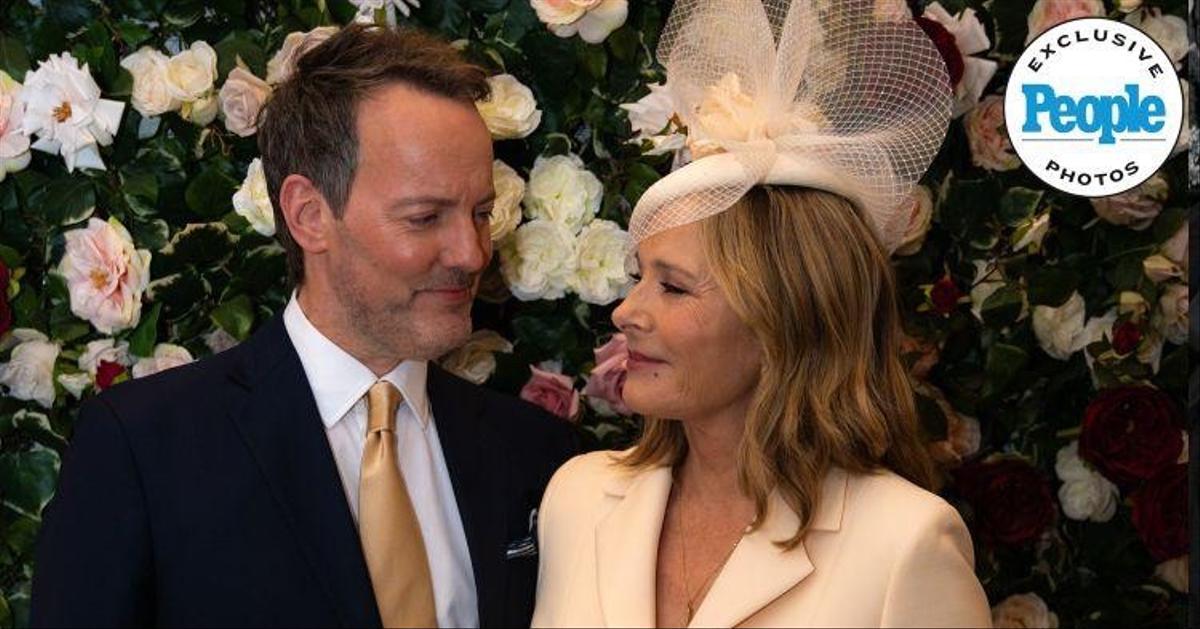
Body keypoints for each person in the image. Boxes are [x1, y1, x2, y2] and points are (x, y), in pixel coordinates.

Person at [31, 24, 575, 628]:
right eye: (425, 217)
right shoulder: (143, 447)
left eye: (481, 213)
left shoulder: (537, 453)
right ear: (309, 215)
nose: (471, 254)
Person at [532, 0, 992, 626]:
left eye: (674, 288)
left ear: (784, 321)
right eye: (640, 278)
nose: (626, 313)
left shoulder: (904, 543)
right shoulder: (578, 498)